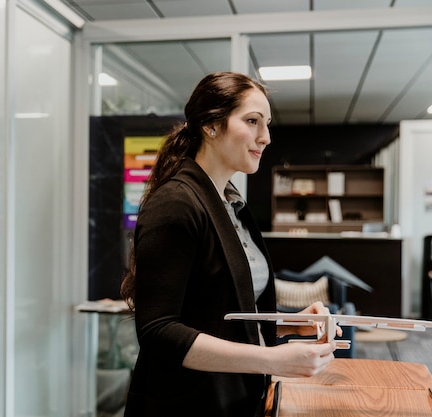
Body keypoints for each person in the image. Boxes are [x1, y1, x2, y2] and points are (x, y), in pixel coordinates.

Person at [120, 72, 339, 417]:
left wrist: (290, 322)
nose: (265, 137)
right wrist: (272, 359)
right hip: (185, 405)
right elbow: (159, 331)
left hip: (234, 398)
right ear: (210, 125)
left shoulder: (230, 204)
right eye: (252, 121)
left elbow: (217, 312)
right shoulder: (176, 204)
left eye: (266, 124)